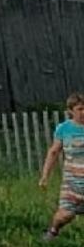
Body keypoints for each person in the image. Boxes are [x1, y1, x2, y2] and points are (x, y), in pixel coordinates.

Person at [39, 93, 84, 239]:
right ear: (71, 110)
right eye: (80, 109)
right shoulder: (64, 129)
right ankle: (53, 231)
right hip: (72, 183)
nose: (83, 112)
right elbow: (53, 152)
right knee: (65, 215)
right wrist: (45, 176)